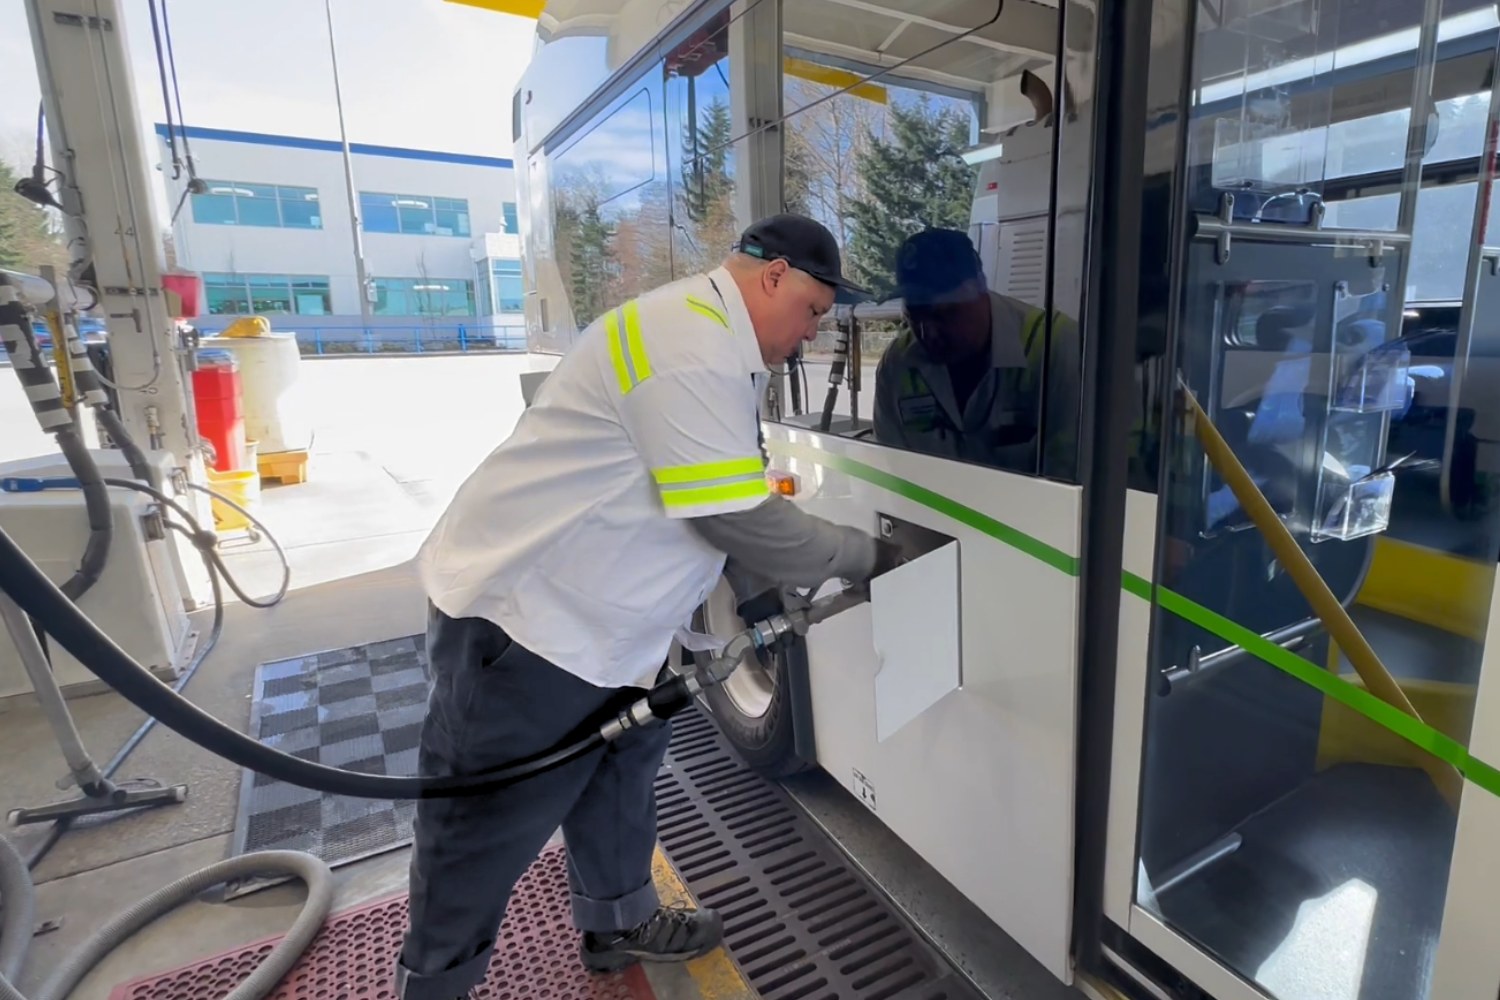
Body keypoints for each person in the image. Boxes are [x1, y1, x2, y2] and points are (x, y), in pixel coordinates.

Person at [398, 213, 901, 999]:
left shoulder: (723, 349)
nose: (811, 336)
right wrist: (868, 557)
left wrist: (766, 601)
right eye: (812, 312)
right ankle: (433, 988)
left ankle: (618, 920)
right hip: (528, 624)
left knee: (620, 770)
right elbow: (735, 516)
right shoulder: (688, 344)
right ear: (774, 278)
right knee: (479, 828)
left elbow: (732, 489)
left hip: (612, 629)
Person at [872, 227, 1079, 476]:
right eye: (915, 316)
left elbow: (1074, 475)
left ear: (980, 287)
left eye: (944, 314)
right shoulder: (897, 364)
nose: (928, 334)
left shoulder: (1056, 346)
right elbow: (893, 472)